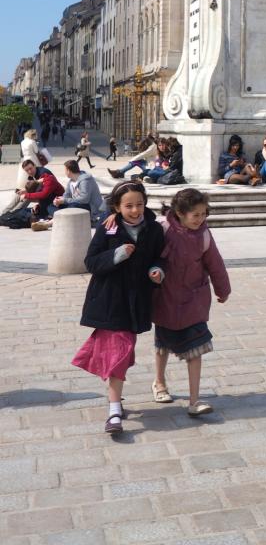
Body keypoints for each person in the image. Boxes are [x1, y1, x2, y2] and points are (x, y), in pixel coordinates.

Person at [71, 182, 165, 435]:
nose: (135, 210)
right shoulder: (108, 227)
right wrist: (117, 254)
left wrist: (157, 271)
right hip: (110, 301)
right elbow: (91, 261)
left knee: (120, 352)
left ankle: (115, 401)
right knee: (119, 353)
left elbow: (160, 257)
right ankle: (114, 411)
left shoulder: (154, 230)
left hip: (136, 302)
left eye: (140, 205)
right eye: (129, 206)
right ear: (117, 207)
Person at [151, 188, 231, 415]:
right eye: (195, 214)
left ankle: (195, 401)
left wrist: (223, 289)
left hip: (195, 298)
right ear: (180, 212)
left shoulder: (204, 235)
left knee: (196, 348)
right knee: (163, 344)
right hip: (165, 297)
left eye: (204, 214)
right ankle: (159, 382)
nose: (200, 219)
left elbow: (215, 263)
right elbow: (147, 253)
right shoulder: (163, 229)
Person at [31, 160, 105, 230]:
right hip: (75, 204)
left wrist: (65, 200)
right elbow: (66, 195)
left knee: (73, 207)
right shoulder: (71, 181)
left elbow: (84, 199)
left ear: (68, 170)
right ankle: (63, 218)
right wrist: (59, 200)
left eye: (65, 170)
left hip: (90, 208)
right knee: (51, 206)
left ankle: (48, 224)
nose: (64, 172)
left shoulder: (86, 180)